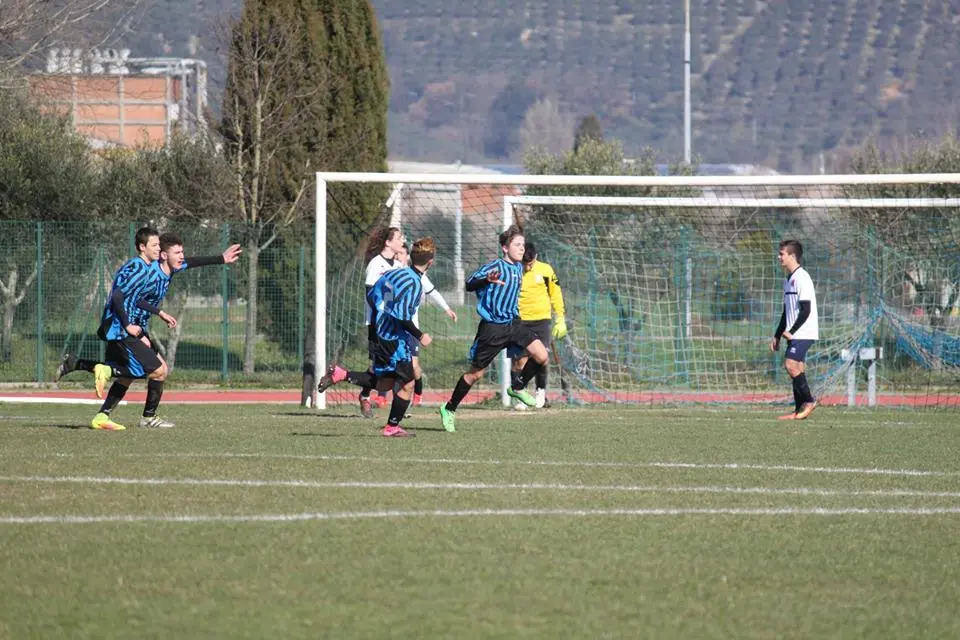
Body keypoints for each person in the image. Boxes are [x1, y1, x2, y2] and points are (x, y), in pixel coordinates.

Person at [58, 230, 242, 430]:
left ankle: (100, 409)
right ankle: (141, 411)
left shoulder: (167, 269)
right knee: (156, 370)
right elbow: (122, 297)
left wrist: (221, 258)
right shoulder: (148, 271)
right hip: (123, 327)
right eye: (177, 252)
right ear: (162, 255)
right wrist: (132, 325)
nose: (182, 257)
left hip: (132, 326)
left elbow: (192, 262)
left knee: (142, 374)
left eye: (182, 252)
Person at [317, 237, 437, 437]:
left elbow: (373, 295)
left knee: (385, 383)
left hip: (381, 332)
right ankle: (392, 427)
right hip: (394, 339)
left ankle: (341, 374)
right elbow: (402, 316)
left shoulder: (394, 274)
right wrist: (420, 335)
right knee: (408, 383)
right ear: (430, 263)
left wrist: (381, 315)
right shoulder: (415, 285)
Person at [438, 225, 549, 433]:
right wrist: (485, 280)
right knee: (475, 374)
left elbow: (531, 257)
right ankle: (449, 408)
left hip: (514, 324)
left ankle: (517, 387)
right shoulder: (494, 267)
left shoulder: (518, 266)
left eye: (523, 245)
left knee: (542, 355)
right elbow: (469, 285)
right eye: (517, 245)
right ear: (504, 248)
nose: (521, 249)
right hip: (493, 328)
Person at [394, 243, 457, 407]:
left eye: (401, 253)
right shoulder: (392, 274)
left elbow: (433, 292)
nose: (397, 256)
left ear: (408, 256)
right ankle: (384, 398)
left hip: (411, 328)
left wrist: (447, 309)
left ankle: (418, 393)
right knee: (390, 366)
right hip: (393, 328)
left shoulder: (418, 277)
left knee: (413, 366)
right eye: (397, 253)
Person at [510, 242, 566, 410]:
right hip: (519, 320)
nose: (527, 267)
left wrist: (560, 318)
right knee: (519, 361)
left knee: (541, 358)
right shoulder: (513, 271)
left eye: (530, 264)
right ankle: (520, 396)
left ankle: (540, 392)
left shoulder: (546, 270)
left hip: (542, 320)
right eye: (524, 264)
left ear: (535, 258)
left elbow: (555, 293)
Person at [358, 226, 405, 417]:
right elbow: (370, 293)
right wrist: (381, 313)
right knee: (377, 366)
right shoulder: (376, 264)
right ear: (388, 242)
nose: (402, 240)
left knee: (396, 364)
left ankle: (398, 405)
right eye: (399, 237)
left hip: (395, 324)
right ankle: (365, 395)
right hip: (377, 323)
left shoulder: (399, 266)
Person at [770, 239, 819, 420]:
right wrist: (777, 335)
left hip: (804, 331)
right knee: (797, 367)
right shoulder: (788, 279)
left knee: (790, 365)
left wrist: (793, 330)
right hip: (795, 332)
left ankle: (809, 401)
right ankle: (798, 411)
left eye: (782, 253)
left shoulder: (802, 278)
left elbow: (806, 310)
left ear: (792, 255)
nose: (779, 257)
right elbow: (787, 311)